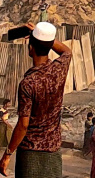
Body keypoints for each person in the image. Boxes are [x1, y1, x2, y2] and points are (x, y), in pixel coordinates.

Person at [0, 22, 72, 178]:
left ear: (30, 48)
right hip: (53, 151)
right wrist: (43, 37)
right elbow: (66, 51)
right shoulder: (59, 69)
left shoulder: (28, 83)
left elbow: (23, 124)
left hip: (30, 154)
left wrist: (7, 154)